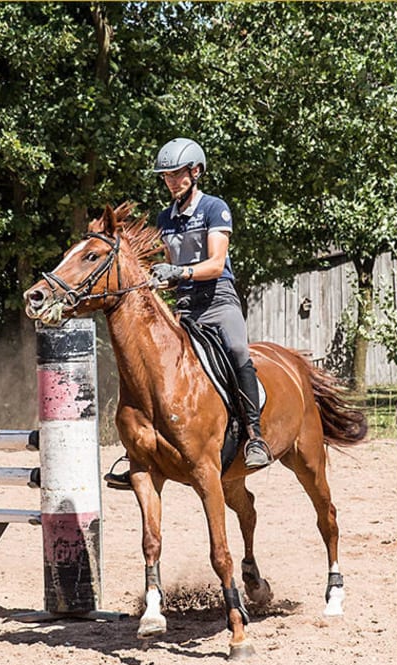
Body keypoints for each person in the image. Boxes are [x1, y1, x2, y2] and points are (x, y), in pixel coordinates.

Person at [105, 138, 273, 490]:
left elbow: (214, 265)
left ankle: (255, 436)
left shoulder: (214, 208)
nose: (170, 180)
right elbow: (169, 269)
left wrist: (179, 273)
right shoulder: (166, 217)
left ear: (195, 172)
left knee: (239, 352)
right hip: (183, 306)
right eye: (166, 176)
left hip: (218, 301)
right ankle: (141, 448)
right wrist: (155, 281)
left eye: (176, 174)